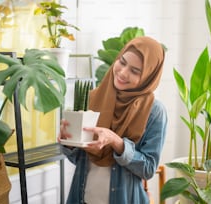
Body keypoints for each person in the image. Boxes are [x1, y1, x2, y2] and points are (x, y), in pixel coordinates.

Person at [59, 36, 167, 204]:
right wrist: (69, 141)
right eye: (122, 62)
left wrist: (116, 142)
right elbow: (80, 159)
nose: (123, 73)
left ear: (148, 76)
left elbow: (148, 169)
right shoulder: (94, 98)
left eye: (135, 71)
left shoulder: (154, 111)